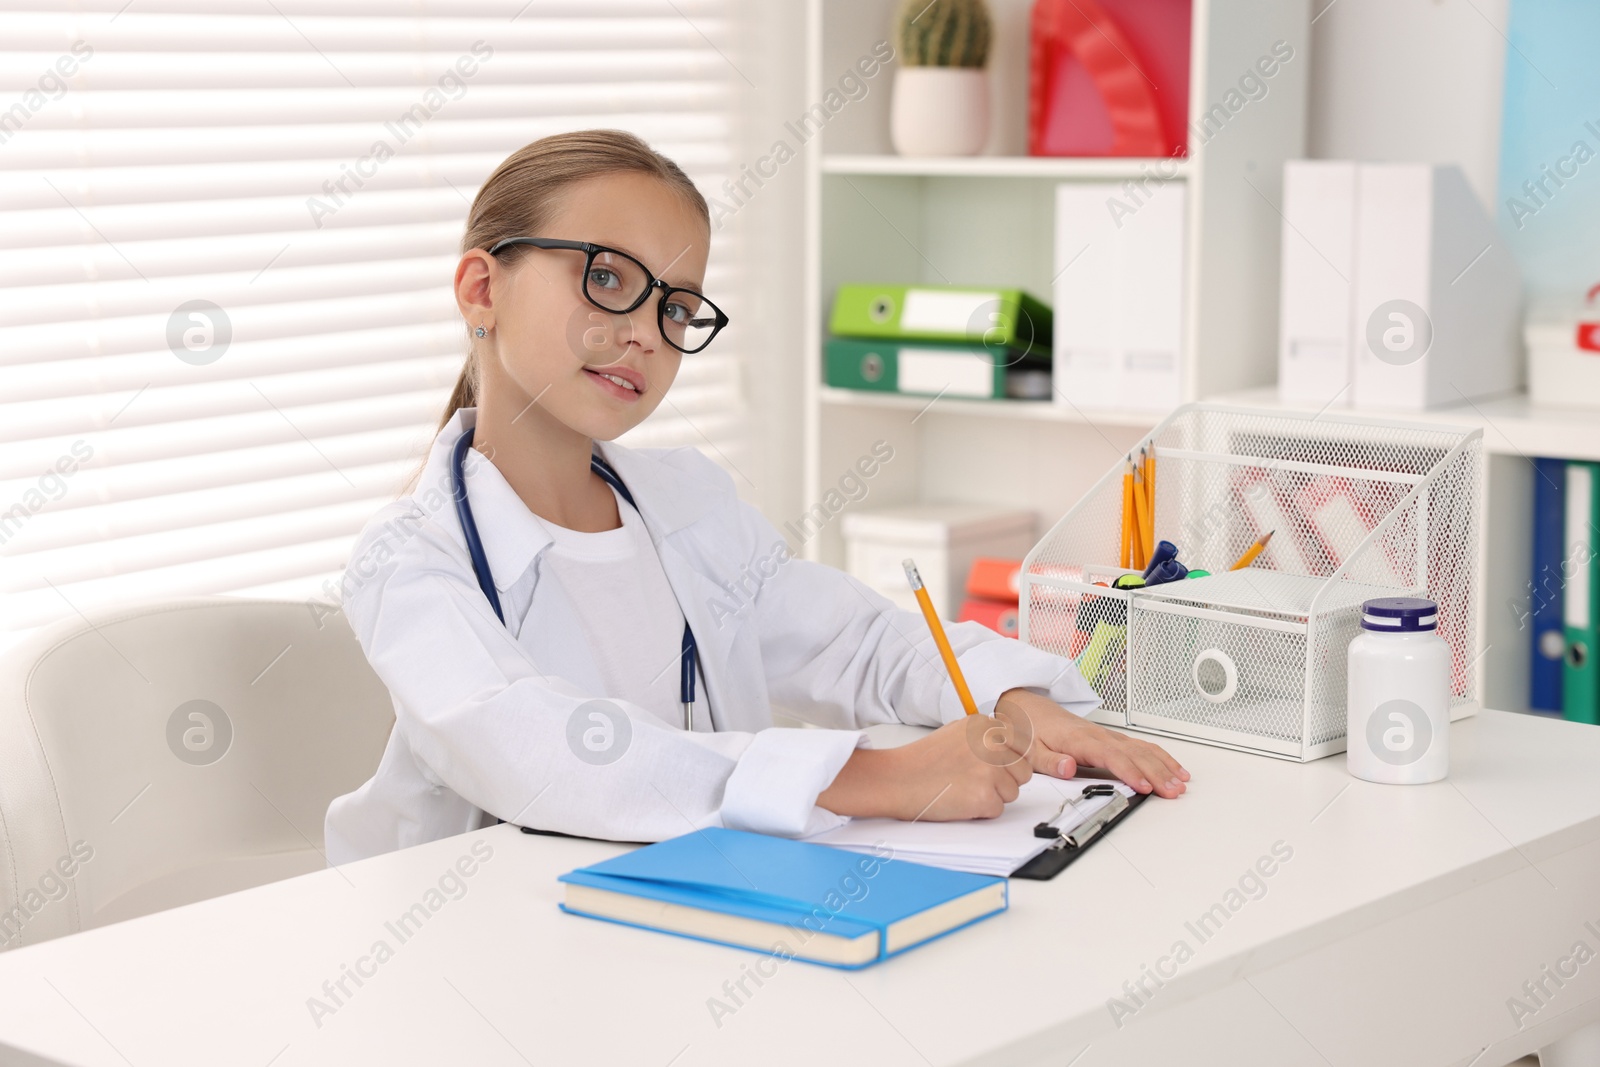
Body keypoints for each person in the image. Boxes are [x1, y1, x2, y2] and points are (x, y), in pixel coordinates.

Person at [323, 129, 1187, 865]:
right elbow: (534, 749)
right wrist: (879, 776)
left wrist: (1010, 700)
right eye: (609, 280)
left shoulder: (688, 504)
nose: (643, 336)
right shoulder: (409, 559)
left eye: (676, 307)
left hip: (699, 919)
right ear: (482, 289)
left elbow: (854, 641)